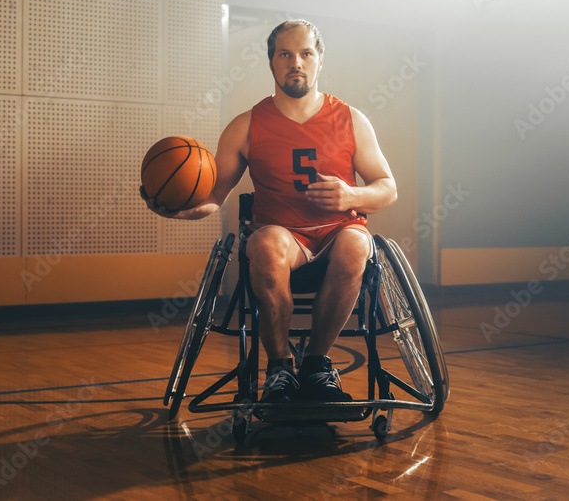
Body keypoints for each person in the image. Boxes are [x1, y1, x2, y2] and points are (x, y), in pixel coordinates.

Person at [142, 20, 397, 403]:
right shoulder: (245, 126)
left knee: (356, 246)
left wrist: (349, 195)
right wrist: (176, 212)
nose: (296, 62)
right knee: (264, 244)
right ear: (271, 62)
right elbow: (214, 197)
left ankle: (315, 365)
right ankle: (279, 369)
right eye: (285, 54)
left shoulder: (351, 120)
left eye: (306, 53)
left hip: (337, 233)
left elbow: (387, 188)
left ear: (320, 60)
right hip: (283, 237)